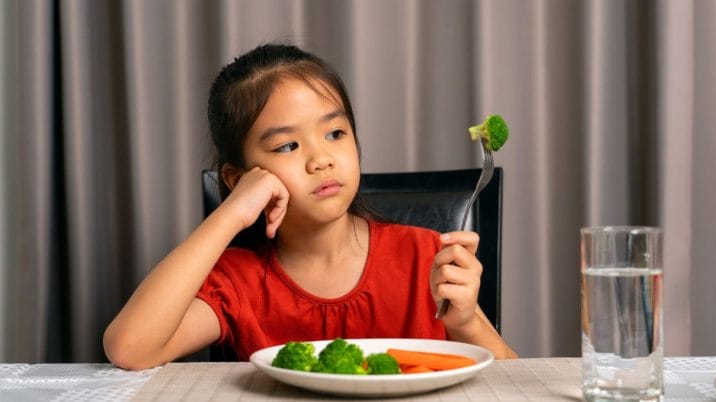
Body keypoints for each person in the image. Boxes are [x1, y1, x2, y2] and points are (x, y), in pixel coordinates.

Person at [103, 43, 517, 370]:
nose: (321, 159)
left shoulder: (426, 255)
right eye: (287, 145)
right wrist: (231, 213)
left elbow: (518, 385)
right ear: (239, 178)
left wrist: (466, 323)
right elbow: (130, 348)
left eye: (335, 133)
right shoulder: (238, 282)